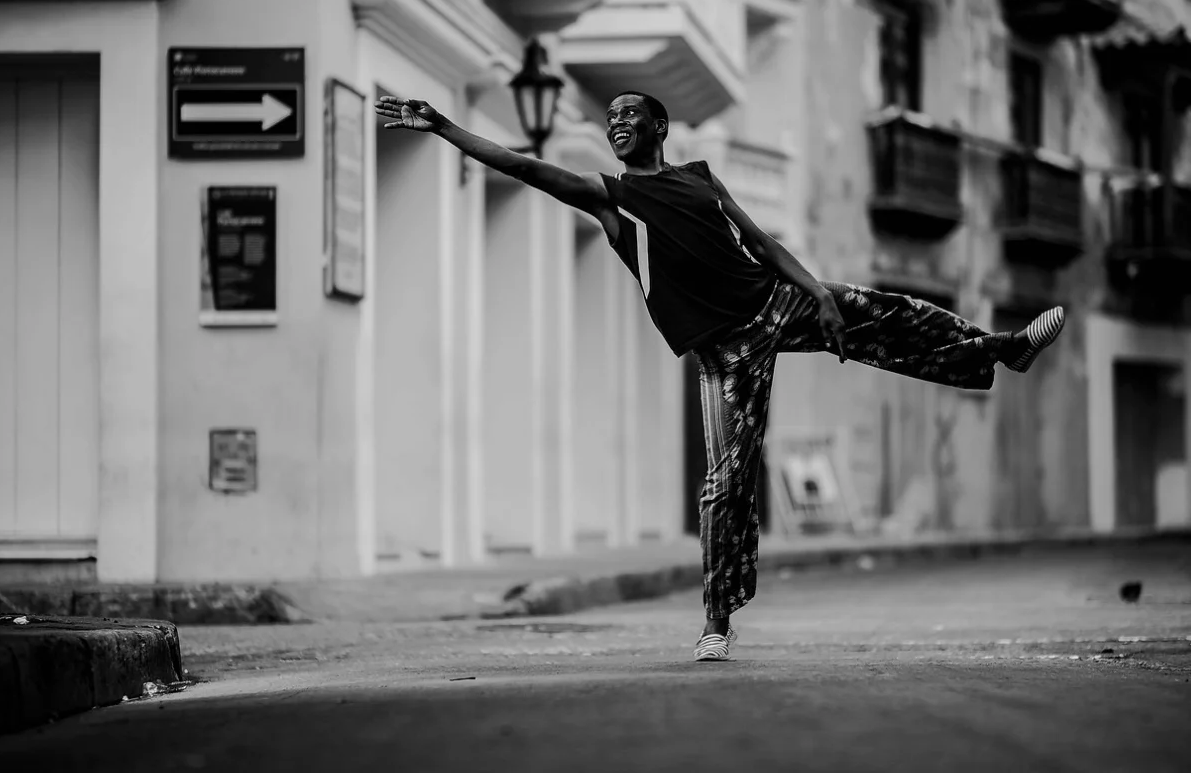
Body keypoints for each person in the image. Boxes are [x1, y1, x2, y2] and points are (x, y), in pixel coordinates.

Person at [374, 91, 1065, 661]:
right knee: (726, 481)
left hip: (776, 300)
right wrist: (440, 126)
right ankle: (716, 620)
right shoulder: (610, 199)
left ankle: (999, 350)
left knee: (890, 311)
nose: (616, 126)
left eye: (628, 117)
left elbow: (762, 242)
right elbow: (521, 165)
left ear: (658, 128)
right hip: (724, 351)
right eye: (610, 119)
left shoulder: (701, 178)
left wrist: (819, 294)